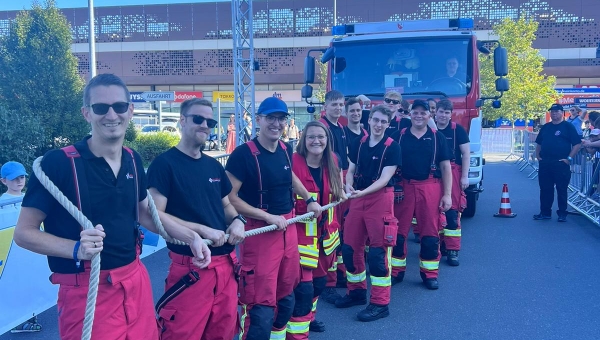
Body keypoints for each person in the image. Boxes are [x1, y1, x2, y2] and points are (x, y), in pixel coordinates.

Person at [13, 73, 211, 340]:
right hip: (87, 291)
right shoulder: (58, 163)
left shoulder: (132, 158)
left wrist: (191, 237)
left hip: (134, 280)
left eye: (119, 106)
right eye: (100, 107)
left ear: (130, 111)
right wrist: (74, 249)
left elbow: (144, 213)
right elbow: (24, 232)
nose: (111, 115)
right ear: (87, 113)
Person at [225, 97, 322, 340]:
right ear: (258, 120)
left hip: (287, 229)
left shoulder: (284, 148)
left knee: (286, 298)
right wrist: (267, 216)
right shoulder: (243, 155)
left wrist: (309, 198)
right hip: (260, 235)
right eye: (270, 118)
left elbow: (290, 178)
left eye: (280, 118)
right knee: (261, 308)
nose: (276, 124)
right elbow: (227, 197)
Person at [148, 98, 243, 340]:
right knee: (182, 334)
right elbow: (154, 216)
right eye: (198, 119)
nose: (205, 125)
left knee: (223, 333)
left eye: (209, 121)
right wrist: (202, 231)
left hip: (227, 266)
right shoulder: (164, 165)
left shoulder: (213, 166)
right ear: (182, 120)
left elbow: (226, 205)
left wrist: (237, 220)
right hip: (191, 267)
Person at [335, 105, 401, 322]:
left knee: (378, 254)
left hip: (380, 199)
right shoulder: (358, 143)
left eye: (384, 121)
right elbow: (351, 170)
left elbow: (384, 178)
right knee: (350, 247)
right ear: (369, 120)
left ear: (388, 124)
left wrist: (362, 192)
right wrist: (348, 186)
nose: (379, 124)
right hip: (357, 198)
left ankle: (380, 303)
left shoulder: (392, 147)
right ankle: (356, 292)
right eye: (376, 120)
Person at [287, 121, 345, 338]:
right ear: (303, 140)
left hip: (325, 236)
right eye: (311, 137)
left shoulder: (333, 161)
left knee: (319, 284)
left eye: (321, 137)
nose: (316, 141)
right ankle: (296, 332)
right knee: (303, 290)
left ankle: (308, 319)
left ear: (327, 140)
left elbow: (337, 194)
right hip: (300, 236)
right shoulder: (293, 161)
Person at [390, 99, 452, 290]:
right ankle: (396, 271)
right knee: (398, 233)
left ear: (429, 115)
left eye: (422, 112)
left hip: (430, 187)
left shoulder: (437, 137)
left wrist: (447, 194)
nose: (418, 115)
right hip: (404, 188)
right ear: (409, 114)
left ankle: (430, 274)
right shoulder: (398, 136)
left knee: (430, 233)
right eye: (414, 112)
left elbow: (445, 167)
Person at [318, 90, 350, 303]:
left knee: (339, 234)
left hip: (342, 182)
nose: (338, 108)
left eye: (341, 104)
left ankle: (337, 275)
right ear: (326, 106)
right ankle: (327, 284)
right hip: (330, 186)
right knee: (329, 236)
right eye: (334, 104)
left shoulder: (340, 127)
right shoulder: (322, 128)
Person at [434, 99, 470, 266]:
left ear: (451, 114)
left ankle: (453, 250)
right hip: (433, 174)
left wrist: (464, 176)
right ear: (436, 112)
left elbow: (466, 154)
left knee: (452, 210)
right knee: (434, 211)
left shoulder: (457, 130)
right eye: (441, 111)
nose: (443, 115)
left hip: (453, 172)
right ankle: (440, 245)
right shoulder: (429, 129)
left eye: (447, 113)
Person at [534, 104, 582, 222]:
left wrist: (569, 159)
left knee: (561, 189)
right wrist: (538, 155)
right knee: (545, 189)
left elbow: (577, 144)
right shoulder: (546, 127)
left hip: (561, 163)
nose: (554, 113)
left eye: (556, 111)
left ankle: (562, 213)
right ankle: (545, 212)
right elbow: (539, 142)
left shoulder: (568, 126)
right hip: (545, 163)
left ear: (562, 113)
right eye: (552, 111)